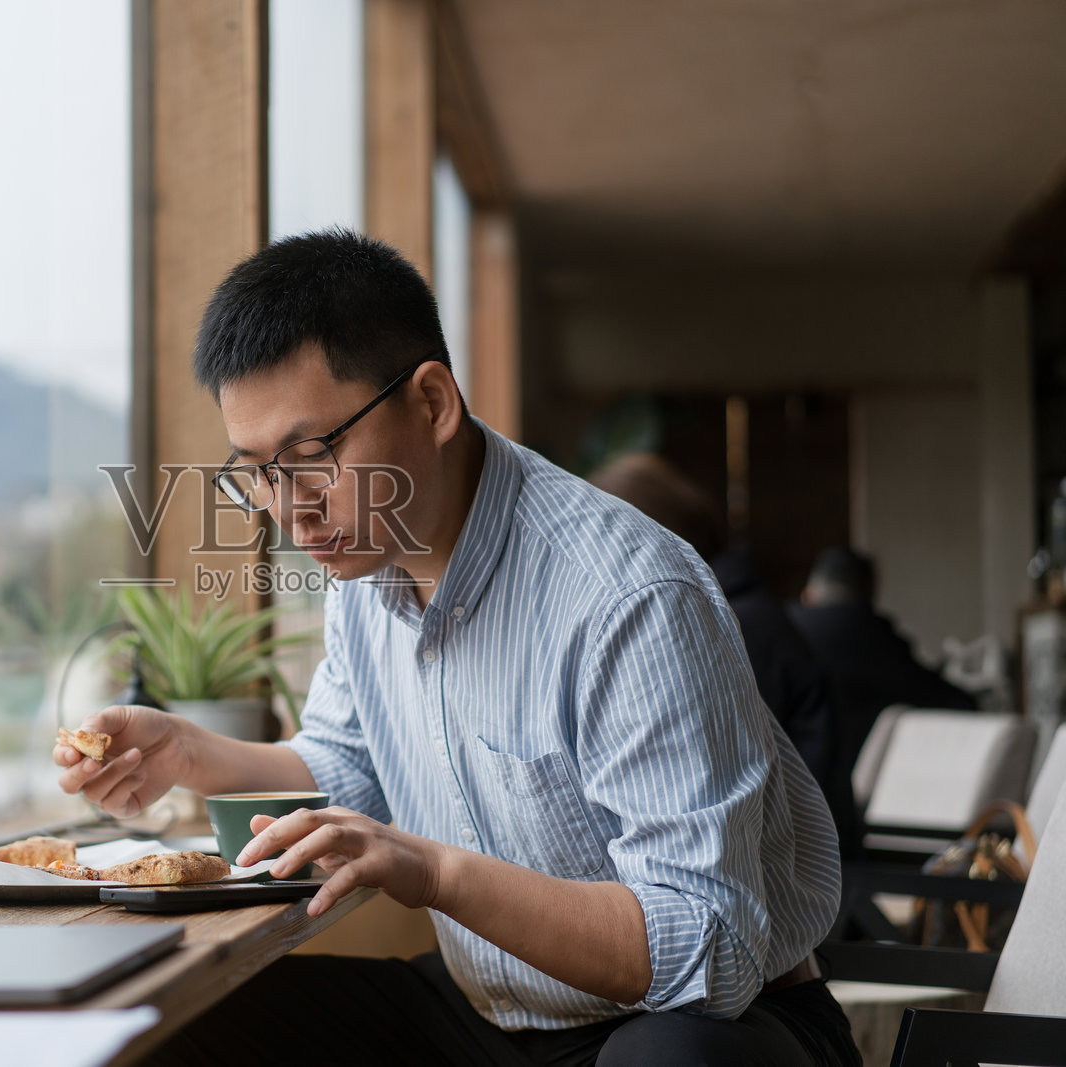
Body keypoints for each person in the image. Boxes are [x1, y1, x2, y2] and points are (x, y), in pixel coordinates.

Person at [56, 229, 858, 1066]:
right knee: (186, 1023)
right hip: (496, 1017)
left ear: (432, 403)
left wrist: (434, 871)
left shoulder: (628, 594)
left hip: (714, 1026)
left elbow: (709, 952)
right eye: (257, 470)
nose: (287, 508)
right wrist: (184, 749)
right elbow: (343, 770)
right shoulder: (365, 577)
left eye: (311, 455)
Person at [586, 454, 860, 856]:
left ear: (644, 538)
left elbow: (701, 791)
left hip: (795, 884)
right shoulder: (738, 611)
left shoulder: (720, 626)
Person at [787, 547, 978, 782]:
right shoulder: (875, 636)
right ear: (870, 595)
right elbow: (949, 700)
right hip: (846, 797)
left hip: (784, 790)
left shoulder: (780, 632)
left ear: (808, 594)